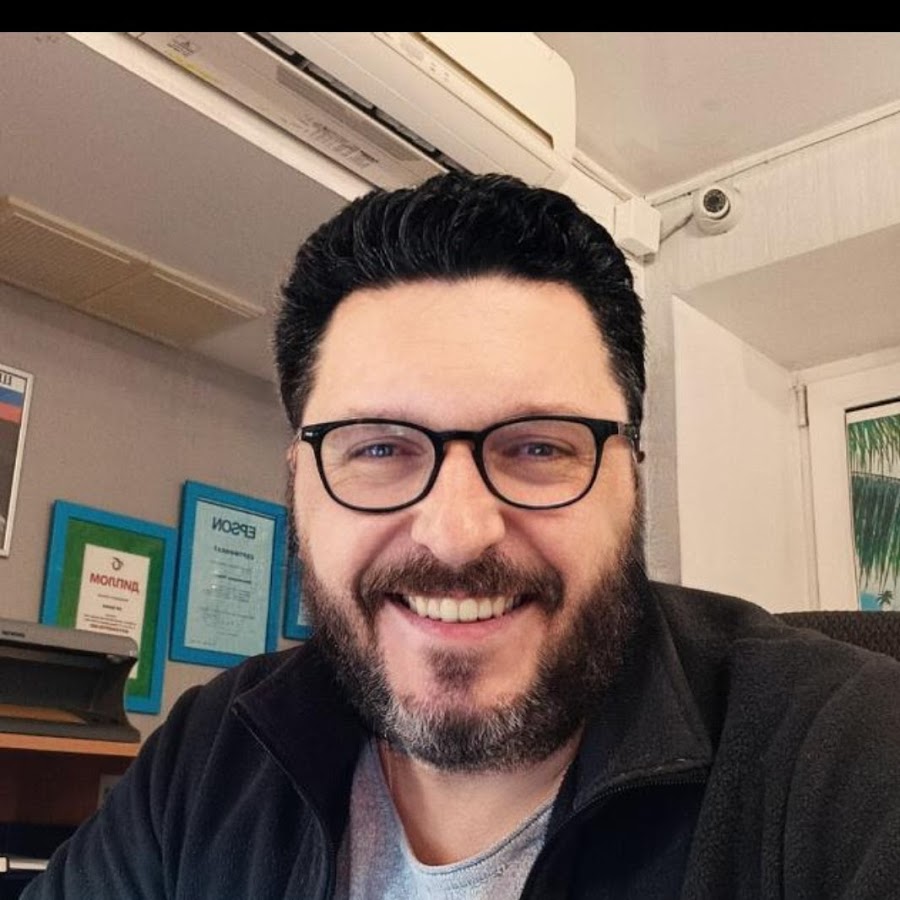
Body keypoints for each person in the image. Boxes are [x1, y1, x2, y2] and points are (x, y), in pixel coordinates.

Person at [24, 173, 900, 899]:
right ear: (299, 478)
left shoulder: (853, 757)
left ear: (632, 475)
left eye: (539, 447)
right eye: (378, 448)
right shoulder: (213, 751)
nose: (454, 535)